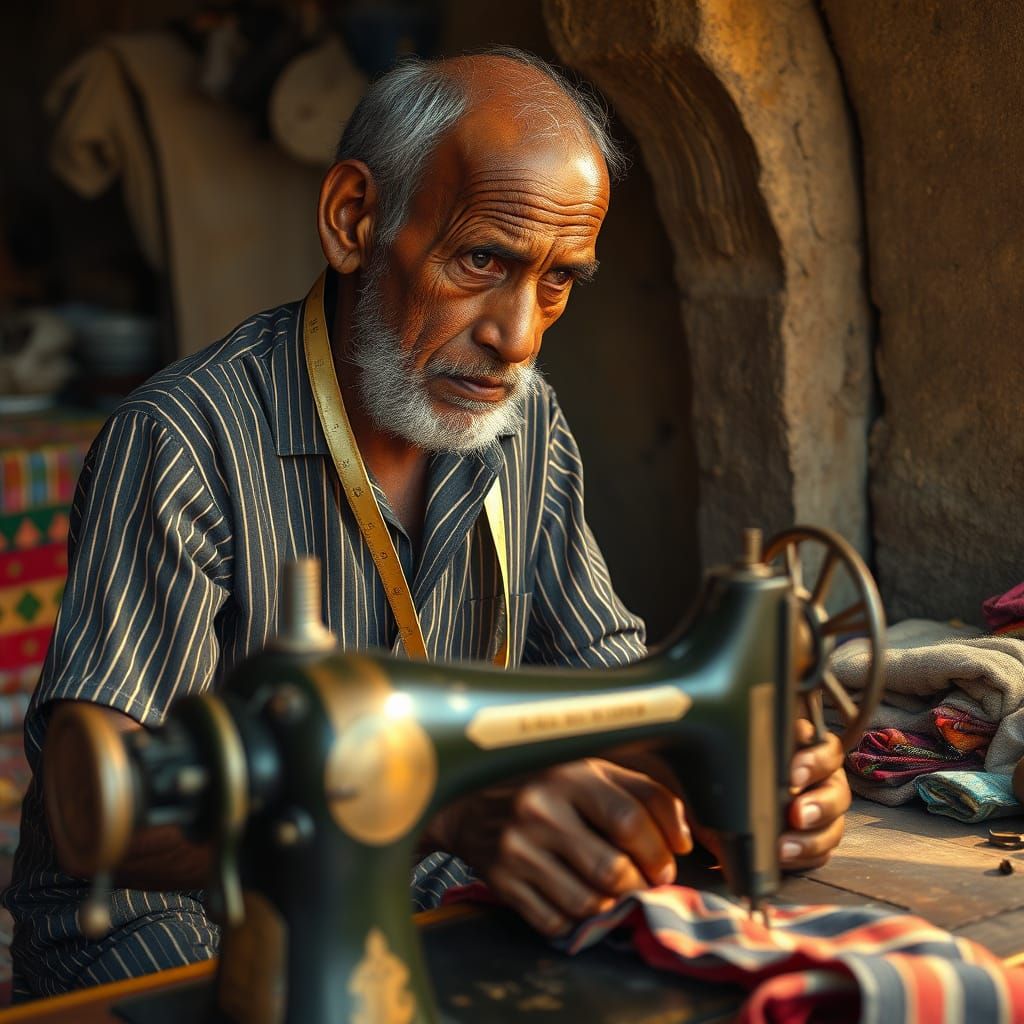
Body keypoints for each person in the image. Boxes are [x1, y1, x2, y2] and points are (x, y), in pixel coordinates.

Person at [3, 48, 850, 999]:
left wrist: (751, 765)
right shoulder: (182, 443)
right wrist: (430, 802)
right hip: (170, 932)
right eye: (483, 259)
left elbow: (614, 687)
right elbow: (104, 804)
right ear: (355, 220)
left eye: (560, 280)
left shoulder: (522, 424)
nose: (519, 336)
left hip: (414, 898)